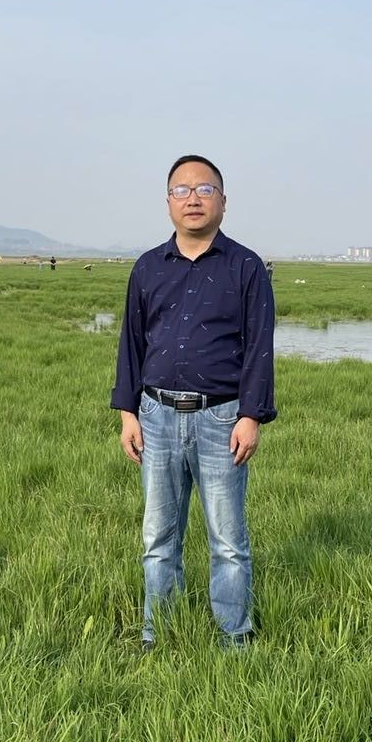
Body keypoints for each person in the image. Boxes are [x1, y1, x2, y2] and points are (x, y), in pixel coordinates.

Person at [111, 154, 276, 651]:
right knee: (158, 538)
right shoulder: (147, 267)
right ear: (168, 203)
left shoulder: (246, 267)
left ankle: (234, 637)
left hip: (222, 418)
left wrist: (250, 415)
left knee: (228, 539)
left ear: (223, 201)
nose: (193, 199)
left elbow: (259, 347)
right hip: (156, 416)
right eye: (181, 190)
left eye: (205, 189)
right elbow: (131, 343)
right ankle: (158, 633)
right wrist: (128, 413)